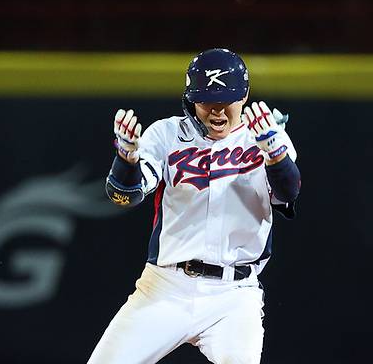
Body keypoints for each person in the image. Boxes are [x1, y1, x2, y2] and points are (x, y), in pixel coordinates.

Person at [88, 48, 301, 364]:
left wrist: (275, 152)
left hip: (235, 295)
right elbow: (125, 195)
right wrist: (127, 160)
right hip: (165, 287)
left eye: (225, 101)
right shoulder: (167, 133)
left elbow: (287, 192)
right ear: (191, 101)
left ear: (243, 97)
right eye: (206, 103)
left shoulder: (267, 133)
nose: (216, 111)